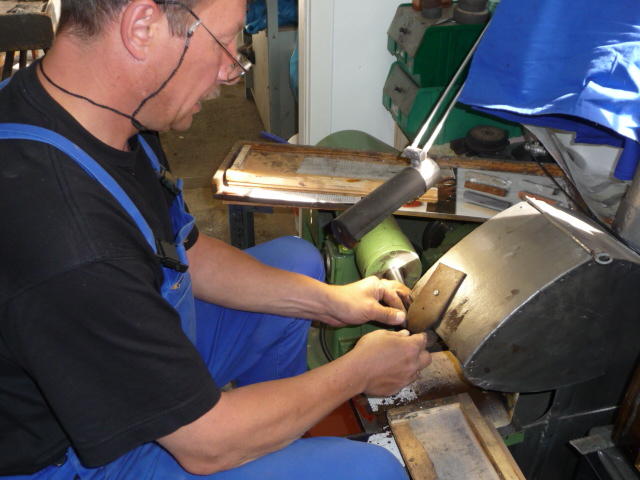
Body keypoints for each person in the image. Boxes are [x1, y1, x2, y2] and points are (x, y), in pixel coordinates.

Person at [0, 0, 432, 478]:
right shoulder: (71, 237)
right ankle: (266, 440)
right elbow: (206, 446)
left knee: (296, 263)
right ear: (142, 27)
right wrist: (356, 372)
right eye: (224, 41)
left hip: (103, 363)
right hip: (73, 459)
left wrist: (330, 302)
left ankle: (275, 437)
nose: (231, 70)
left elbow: (185, 252)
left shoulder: (95, 113)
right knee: (370, 471)